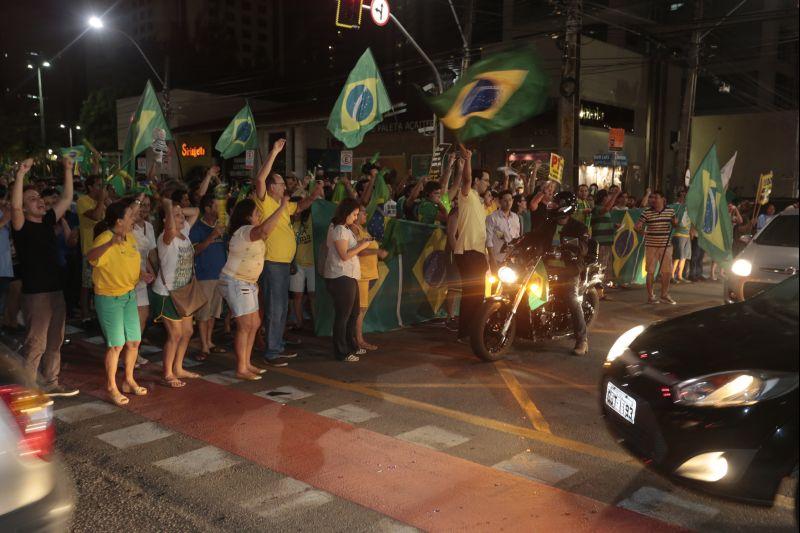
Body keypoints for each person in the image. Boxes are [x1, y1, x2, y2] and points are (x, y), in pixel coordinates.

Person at [10, 158, 78, 397]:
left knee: (55, 341)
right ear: (24, 207)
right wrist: (21, 175)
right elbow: (16, 208)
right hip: (36, 294)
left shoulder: (48, 220)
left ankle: (50, 382)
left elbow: (67, 199)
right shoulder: (20, 226)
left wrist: (68, 170)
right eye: (32, 199)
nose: (38, 201)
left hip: (55, 290)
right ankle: (28, 388)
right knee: (35, 343)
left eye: (39, 197)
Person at [252, 139, 323, 367]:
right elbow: (260, 178)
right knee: (275, 306)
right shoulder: (265, 202)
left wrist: (313, 195)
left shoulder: (283, 205)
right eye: (281, 183)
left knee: (281, 306)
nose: (284, 187)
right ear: (271, 187)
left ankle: (277, 345)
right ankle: (272, 351)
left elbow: (300, 207)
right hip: (272, 263)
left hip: (284, 263)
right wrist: (273, 152)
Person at [88, 197, 152, 406]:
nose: (134, 219)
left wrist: (141, 274)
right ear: (118, 221)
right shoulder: (106, 238)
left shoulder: (129, 237)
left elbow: (128, 261)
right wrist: (109, 243)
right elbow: (91, 257)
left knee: (134, 341)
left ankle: (128, 380)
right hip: (109, 298)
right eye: (130, 217)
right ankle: (111, 386)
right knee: (116, 345)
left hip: (128, 296)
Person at [218, 198, 289, 379]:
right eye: (257, 213)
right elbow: (265, 229)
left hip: (248, 282)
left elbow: (265, 231)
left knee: (254, 324)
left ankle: (247, 363)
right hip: (236, 281)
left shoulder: (250, 232)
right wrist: (281, 207)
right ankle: (241, 368)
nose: (260, 215)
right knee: (245, 325)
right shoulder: (244, 231)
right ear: (248, 216)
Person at [520, 191, 591, 355]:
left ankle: (582, 340)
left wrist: (569, 245)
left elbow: (583, 248)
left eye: (558, 203)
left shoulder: (579, 227)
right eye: (554, 202)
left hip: (568, 271)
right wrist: (517, 242)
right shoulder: (549, 224)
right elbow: (534, 236)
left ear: (566, 207)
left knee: (572, 299)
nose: (554, 205)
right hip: (545, 268)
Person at [151, 198, 200, 388]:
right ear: (166, 220)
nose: (181, 218)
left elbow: (195, 210)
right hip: (167, 293)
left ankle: (178, 367)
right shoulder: (165, 237)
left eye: (181, 216)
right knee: (175, 334)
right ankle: (168, 373)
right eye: (176, 216)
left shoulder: (185, 234)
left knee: (187, 331)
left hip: (184, 292)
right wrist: (168, 209)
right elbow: (171, 229)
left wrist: (177, 208)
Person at [323, 198, 373, 362]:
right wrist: (361, 246)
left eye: (358, 214)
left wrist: (361, 242)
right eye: (354, 214)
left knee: (354, 313)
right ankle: (341, 351)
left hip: (350, 275)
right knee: (343, 315)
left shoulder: (346, 229)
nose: (356, 217)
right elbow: (344, 255)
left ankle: (351, 345)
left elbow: (348, 249)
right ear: (347, 213)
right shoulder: (338, 229)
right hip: (340, 276)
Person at [453, 145, 489, 343]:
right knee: (471, 294)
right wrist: (468, 160)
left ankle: (474, 331)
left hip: (478, 253)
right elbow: (466, 179)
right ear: (476, 181)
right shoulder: (467, 194)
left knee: (479, 295)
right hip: (467, 252)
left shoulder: (480, 201)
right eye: (485, 180)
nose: (488, 184)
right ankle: (465, 333)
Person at [189, 194, 228, 360]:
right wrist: (212, 236)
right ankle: (204, 346)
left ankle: (209, 342)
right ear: (207, 208)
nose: (220, 209)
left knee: (213, 313)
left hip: (219, 274)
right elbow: (194, 251)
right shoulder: (197, 228)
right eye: (216, 205)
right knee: (203, 314)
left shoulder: (221, 226)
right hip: (204, 275)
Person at [351, 205, 388, 350]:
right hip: (362, 275)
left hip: (367, 274)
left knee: (361, 309)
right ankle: (359, 340)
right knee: (360, 310)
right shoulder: (354, 229)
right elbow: (357, 251)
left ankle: (357, 339)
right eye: (363, 212)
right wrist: (377, 251)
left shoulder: (361, 229)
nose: (366, 214)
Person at [635, 191, 677, 304]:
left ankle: (664, 294)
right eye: (652, 198)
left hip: (666, 246)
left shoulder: (670, 211)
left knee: (667, 272)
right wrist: (640, 230)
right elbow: (637, 226)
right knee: (650, 271)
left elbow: (675, 224)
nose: (653, 200)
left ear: (663, 199)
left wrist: (675, 223)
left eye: (656, 197)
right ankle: (651, 296)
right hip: (651, 246)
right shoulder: (647, 212)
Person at [77, 174, 108, 323]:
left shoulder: (103, 202)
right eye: (98, 186)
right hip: (90, 249)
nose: (101, 189)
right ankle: (85, 313)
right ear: (89, 187)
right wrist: (101, 200)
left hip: (105, 248)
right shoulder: (83, 201)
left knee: (100, 282)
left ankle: (97, 311)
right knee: (87, 284)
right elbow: (95, 216)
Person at [132, 195, 157, 347]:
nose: (144, 209)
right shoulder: (128, 227)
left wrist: (155, 272)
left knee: (144, 314)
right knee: (130, 317)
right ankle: (127, 352)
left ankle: (135, 350)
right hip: (128, 277)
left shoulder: (149, 226)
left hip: (143, 277)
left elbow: (151, 253)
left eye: (147, 205)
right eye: (141, 205)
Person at [590, 188, 620, 299]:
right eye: (607, 197)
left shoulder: (603, 210)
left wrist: (613, 225)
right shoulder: (597, 208)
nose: (609, 199)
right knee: (600, 268)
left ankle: (600, 292)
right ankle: (598, 293)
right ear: (603, 198)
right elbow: (607, 208)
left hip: (606, 242)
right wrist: (615, 195)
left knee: (604, 267)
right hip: (600, 242)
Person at [289, 209, 316, 331]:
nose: (296, 213)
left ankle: (316, 323)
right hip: (297, 264)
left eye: (298, 210)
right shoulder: (291, 225)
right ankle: (300, 323)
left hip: (312, 264)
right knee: (297, 295)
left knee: (313, 294)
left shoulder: (311, 219)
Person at [486, 190, 521, 273]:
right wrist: (492, 259)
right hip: (497, 258)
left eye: (510, 200)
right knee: (495, 282)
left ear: (512, 201)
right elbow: (488, 240)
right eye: (505, 200)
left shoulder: (515, 217)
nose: (508, 203)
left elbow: (517, 236)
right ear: (500, 201)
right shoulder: (492, 218)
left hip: (512, 259)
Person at [671, 190, 692, 283]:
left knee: (684, 256)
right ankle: (671, 276)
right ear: (679, 197)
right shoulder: (676, 207)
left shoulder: (689, 207)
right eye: (683, 196)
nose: (685, 198)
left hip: (686, 234)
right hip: (678, 234)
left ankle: (679, 275)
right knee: (677, 256)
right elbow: (673, 220)